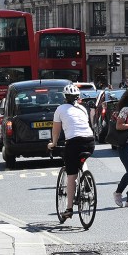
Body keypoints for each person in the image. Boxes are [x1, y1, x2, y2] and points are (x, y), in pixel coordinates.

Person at [47, 83, 96, 220]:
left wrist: (54, 143)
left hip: (74, 143)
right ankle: (87, 179)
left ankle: (69, 209)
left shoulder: (60, 109)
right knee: (83, 158)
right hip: (89, 141)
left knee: (71, 176)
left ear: (64, 97)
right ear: (77, 97)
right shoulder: (82, 108)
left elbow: (56, 130)